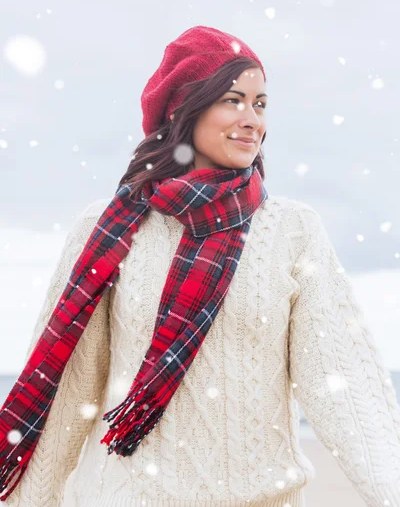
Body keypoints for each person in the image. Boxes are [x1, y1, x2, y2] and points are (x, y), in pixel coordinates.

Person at [1, 25, 399, 507]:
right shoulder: (108, 230)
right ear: (183, 110)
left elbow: (345, 385)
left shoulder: (293, 232)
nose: (252, 119)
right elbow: (69, 388)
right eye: (232, 99)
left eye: (260, 103)